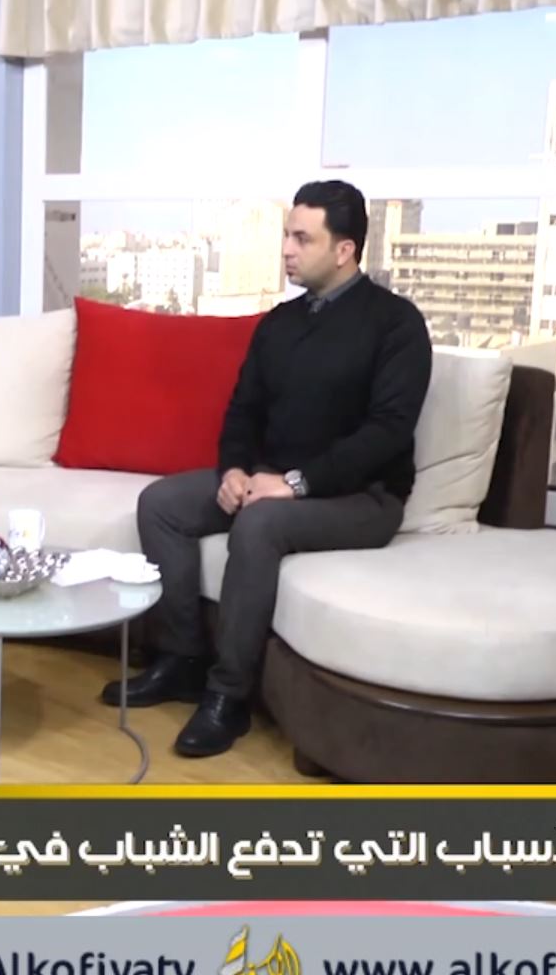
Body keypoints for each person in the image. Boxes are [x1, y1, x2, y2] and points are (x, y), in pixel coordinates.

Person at [103, 180, 432, 758]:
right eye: (286, 235)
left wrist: (297, 484)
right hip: (269, 479)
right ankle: (180, 659)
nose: (286, 249)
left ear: (344, 250)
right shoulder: (279, 323)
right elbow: (243, 411)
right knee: (161, 505)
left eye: (302, 238)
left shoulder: (396, 324)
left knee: (258, 525)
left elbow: (387, 432)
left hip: (362, 498)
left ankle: (228, 696)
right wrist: (234, 469)